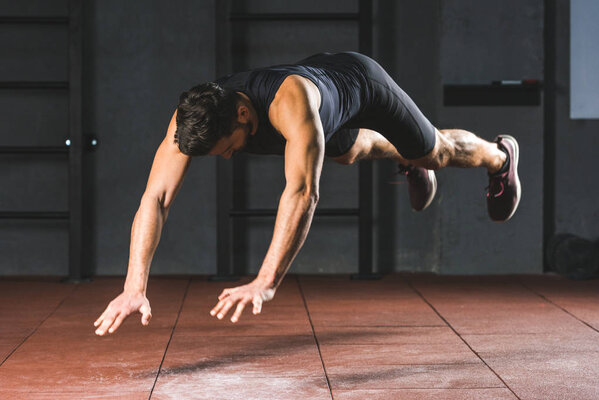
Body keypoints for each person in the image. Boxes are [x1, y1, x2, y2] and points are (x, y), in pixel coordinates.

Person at [94, 52, 520, 335]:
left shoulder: (290, 106)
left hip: (363, 85)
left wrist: (265, 281)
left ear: (242, 114)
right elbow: (156, 198)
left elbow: (301, 193)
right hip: (323, 105)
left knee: (436, 154)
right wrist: (135, 285)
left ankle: (500, 157)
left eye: (227, 149)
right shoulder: (191, 119)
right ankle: (406, 160)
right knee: (350, 151)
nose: (226, 159)